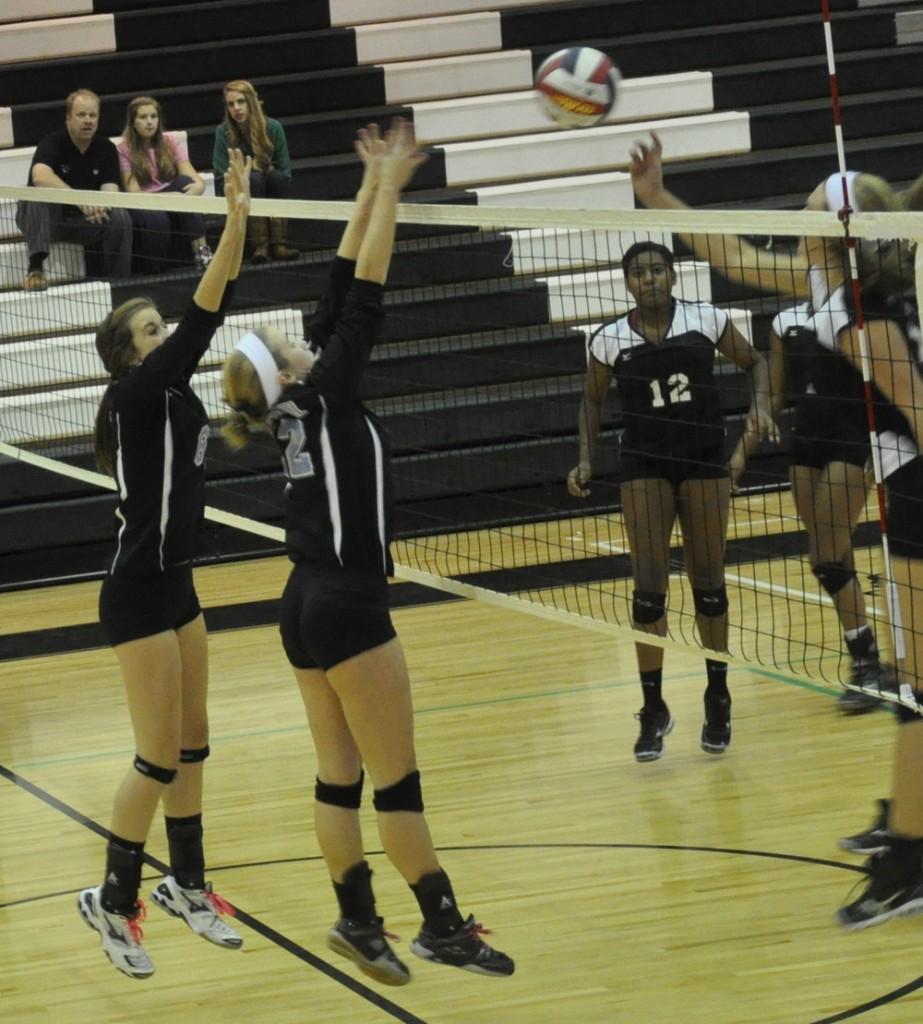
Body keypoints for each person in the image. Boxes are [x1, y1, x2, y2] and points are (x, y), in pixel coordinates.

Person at [221, 120, 514, 985]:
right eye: (288, 342)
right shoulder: (327, 385)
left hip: (302, 604)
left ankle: (356, 921)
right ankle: (440, 927)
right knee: (398, 784)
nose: (299, 334)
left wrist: (370, 183)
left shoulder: (299, 397)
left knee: (337, 777)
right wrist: (389, 188)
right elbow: (368, 289)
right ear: (291, 368)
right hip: (347, 605)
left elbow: (340, 281)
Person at [629, 131, 923, 929]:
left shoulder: (869, 315)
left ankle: (908, 850)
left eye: (805, 217)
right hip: (904, 491)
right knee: (911, 679)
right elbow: (732, 254)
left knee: (916, 685)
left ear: (837, 235)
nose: (792, 227)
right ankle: (907, 819)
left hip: (917, 493)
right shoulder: (831, 288)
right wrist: (657, 200)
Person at [75, 148, 251, 979]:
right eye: (152, 330)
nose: (165, 334)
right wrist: (236, 221)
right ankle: (112, 901)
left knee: (194, 742)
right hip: (136, 593)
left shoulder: (174, 395)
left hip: (178, 584)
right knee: (155, 756)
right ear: (131, 354)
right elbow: (208, 312)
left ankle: (188, 884)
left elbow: (214, 337)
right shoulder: (138, 395)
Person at [566, 240, 777, 762]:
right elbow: (591, 401)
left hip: (704, 460)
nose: (650, 279)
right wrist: (586, 459)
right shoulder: (609, 337)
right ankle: (653, 706)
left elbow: (757, 363)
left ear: (674, 277)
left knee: (708, 584)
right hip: (643, 465)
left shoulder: (706, 320)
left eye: (658, 270)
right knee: (647, 591)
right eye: (639, 273)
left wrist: (760, 410)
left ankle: (717, 694)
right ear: (628, 283)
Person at [729, 303, 885, 713]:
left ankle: (867, 663)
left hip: (852, 441)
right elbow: (776, 394)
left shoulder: (859, 308)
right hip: (806, 442)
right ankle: (865, 659)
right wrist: (742, 449)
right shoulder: (785, 321)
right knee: (836, 553)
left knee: (826, 557)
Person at [15, 88, 132, 291]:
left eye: (93, 115)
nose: (88, 120)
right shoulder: (52, 142)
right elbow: (39, 175)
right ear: (68, 118)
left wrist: (102, 206)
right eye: (81, 115)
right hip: (48, 220)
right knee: (35, 196)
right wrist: (79, 200)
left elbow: (110, 188)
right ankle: (35, 270)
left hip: (83, 222)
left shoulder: (106, 148)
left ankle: (120, 283)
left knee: (119, 215)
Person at [117, 95, 213, 273]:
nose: (149, 122)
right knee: (156, 217)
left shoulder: (169, 142)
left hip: (172, 197)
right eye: (143, 117)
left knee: (185, 182)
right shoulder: (124, 150)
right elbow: (134, 193)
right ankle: (157, 270)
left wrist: (198, 187)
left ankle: (203, 256)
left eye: (153, 116)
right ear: (132, 122)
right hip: (144, 202)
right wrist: (171, 198)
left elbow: (192, 177)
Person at [213, 79, 297, 263]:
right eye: (231, 104)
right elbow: (220, 172)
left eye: (241, 102)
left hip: (271, 180)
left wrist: (271, 173)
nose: (236, 108)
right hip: (241, 186)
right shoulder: (223, 132)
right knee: (255, 179)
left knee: (277, 178)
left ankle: (279, 244)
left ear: (252, 101)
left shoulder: (273, 127)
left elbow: (285, 168)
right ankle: (260, 246)